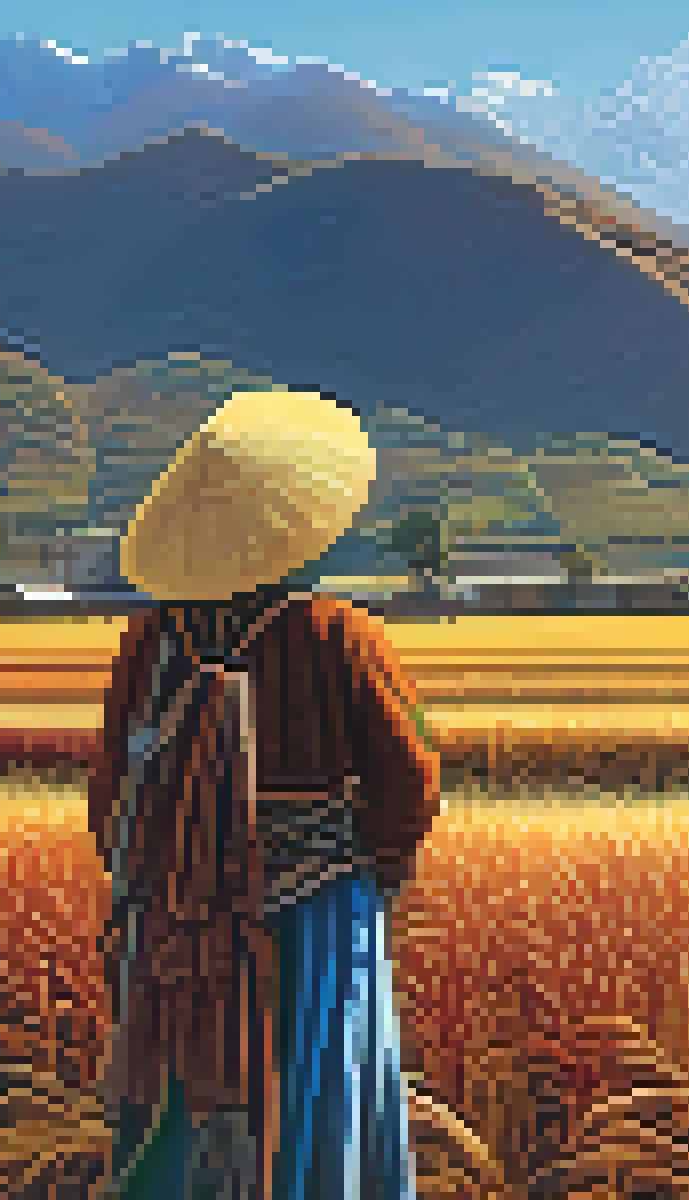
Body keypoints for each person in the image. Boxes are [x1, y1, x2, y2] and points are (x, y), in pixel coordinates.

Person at [89, 389, 440, 1199]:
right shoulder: (338, 634)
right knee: (311, 1111)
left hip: (174, 930)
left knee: (175, 1108)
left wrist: (164, 884)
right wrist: (373, 875)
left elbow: (109, 795)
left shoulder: (148, 641)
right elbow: (407, 785)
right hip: (309, 918)